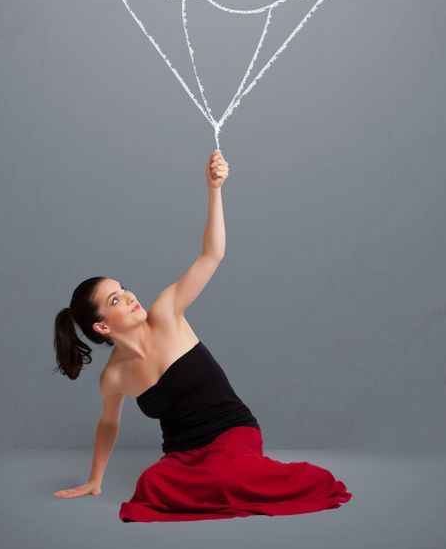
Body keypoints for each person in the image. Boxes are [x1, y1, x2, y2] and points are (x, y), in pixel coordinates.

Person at [52, 149, 353, 521]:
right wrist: (94, 479)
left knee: (229, 474)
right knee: (150, 484)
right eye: (115, 298)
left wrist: (214, 189)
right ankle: (218, 486)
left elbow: (212, 255)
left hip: (233, 434)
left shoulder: (166, 311)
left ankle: (280, 479)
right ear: (102, 326)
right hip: (183, 454)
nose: (129, 295)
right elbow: (108, 424)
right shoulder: (113, 377)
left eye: (123, 287)